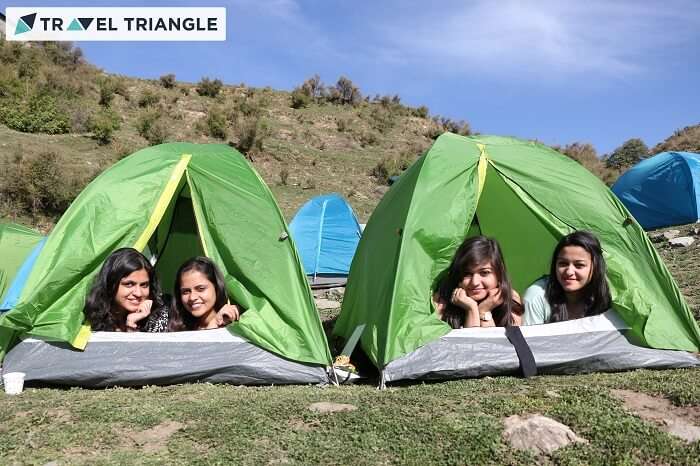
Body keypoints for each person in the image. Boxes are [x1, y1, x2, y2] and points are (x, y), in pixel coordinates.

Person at [523, 230, 612, 325]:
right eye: (563, 264)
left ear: (595, 267)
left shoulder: (610, 296)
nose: (569, 272)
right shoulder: (537, 295)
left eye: (579, 265)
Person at [434, 236, 522, 328]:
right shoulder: (441, 301)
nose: (475, 282)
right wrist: (471, 309)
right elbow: (470, 342)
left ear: (499, 273)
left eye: (484, 272)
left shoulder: (511, 299)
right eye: (467, 273)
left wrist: (484, 312)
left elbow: (491, 342)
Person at [84, 248, 169, 332]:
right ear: (111, 284)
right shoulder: (91, 321)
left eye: (144, 285)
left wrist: (132, 324)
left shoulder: (158, 317)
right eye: (129, 284)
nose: (138, 293)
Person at [169, 256, 242, 331]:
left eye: (201, 289)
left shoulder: (235, 324)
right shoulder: (176, 329)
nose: (192, 297)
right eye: (186, 292)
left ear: (216, 287)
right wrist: (214, 324)